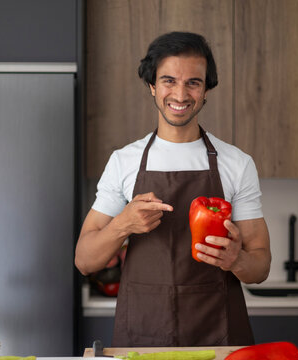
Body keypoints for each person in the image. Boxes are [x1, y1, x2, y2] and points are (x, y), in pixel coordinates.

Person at [75, 31, 271, 347]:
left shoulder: (237, 163)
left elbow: (260, 266)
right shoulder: (124, 161)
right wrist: (124, 224)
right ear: (152, 86)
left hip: (216, 335)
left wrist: (237, 260)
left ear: (206, 90)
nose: (180, 94)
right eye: (168, 80)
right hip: (142, 334)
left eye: (193, 82)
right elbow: (85, 260)